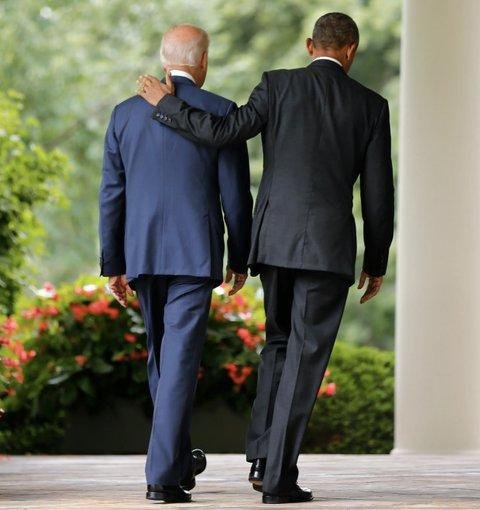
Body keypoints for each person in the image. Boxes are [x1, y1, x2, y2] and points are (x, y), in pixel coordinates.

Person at [137, 12, 394, 505]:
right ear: (351, 51)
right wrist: (376, 259)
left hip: (273, 242)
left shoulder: (276, 85)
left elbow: (223, 132)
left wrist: (167, 105)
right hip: (326, 250)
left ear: (309, 45)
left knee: (277, 345)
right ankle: (277, 479)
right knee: (305, 357)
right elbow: (378, 194)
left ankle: (261, 457)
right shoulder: (371, 105)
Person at [99, 23, 253, 504]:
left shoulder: (124, 114)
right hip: (195, 253)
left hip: (142, 253)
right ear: (202, 61)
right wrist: (240, 255)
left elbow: (112, 194)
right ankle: (162, 476)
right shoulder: (221, 112)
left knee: (163, 359)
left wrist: (113, 262)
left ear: (164, 59)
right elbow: (236, 196)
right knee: (179, 361)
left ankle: (179, 461)